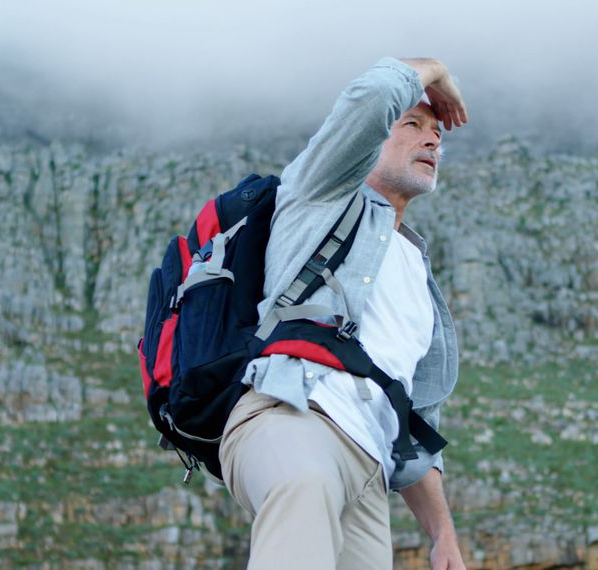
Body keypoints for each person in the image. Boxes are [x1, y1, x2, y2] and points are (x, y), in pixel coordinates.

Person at [219, 57, 468, 570]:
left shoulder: (418, 278)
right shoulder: (321, 193)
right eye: (413, 125)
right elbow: (374, 96)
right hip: (292, 417)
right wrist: (435, 69)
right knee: (305, 486)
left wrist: (443, 534)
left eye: (437, 134)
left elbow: (415, 420)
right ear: (372, 140)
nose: (432, 142)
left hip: (368, 472)